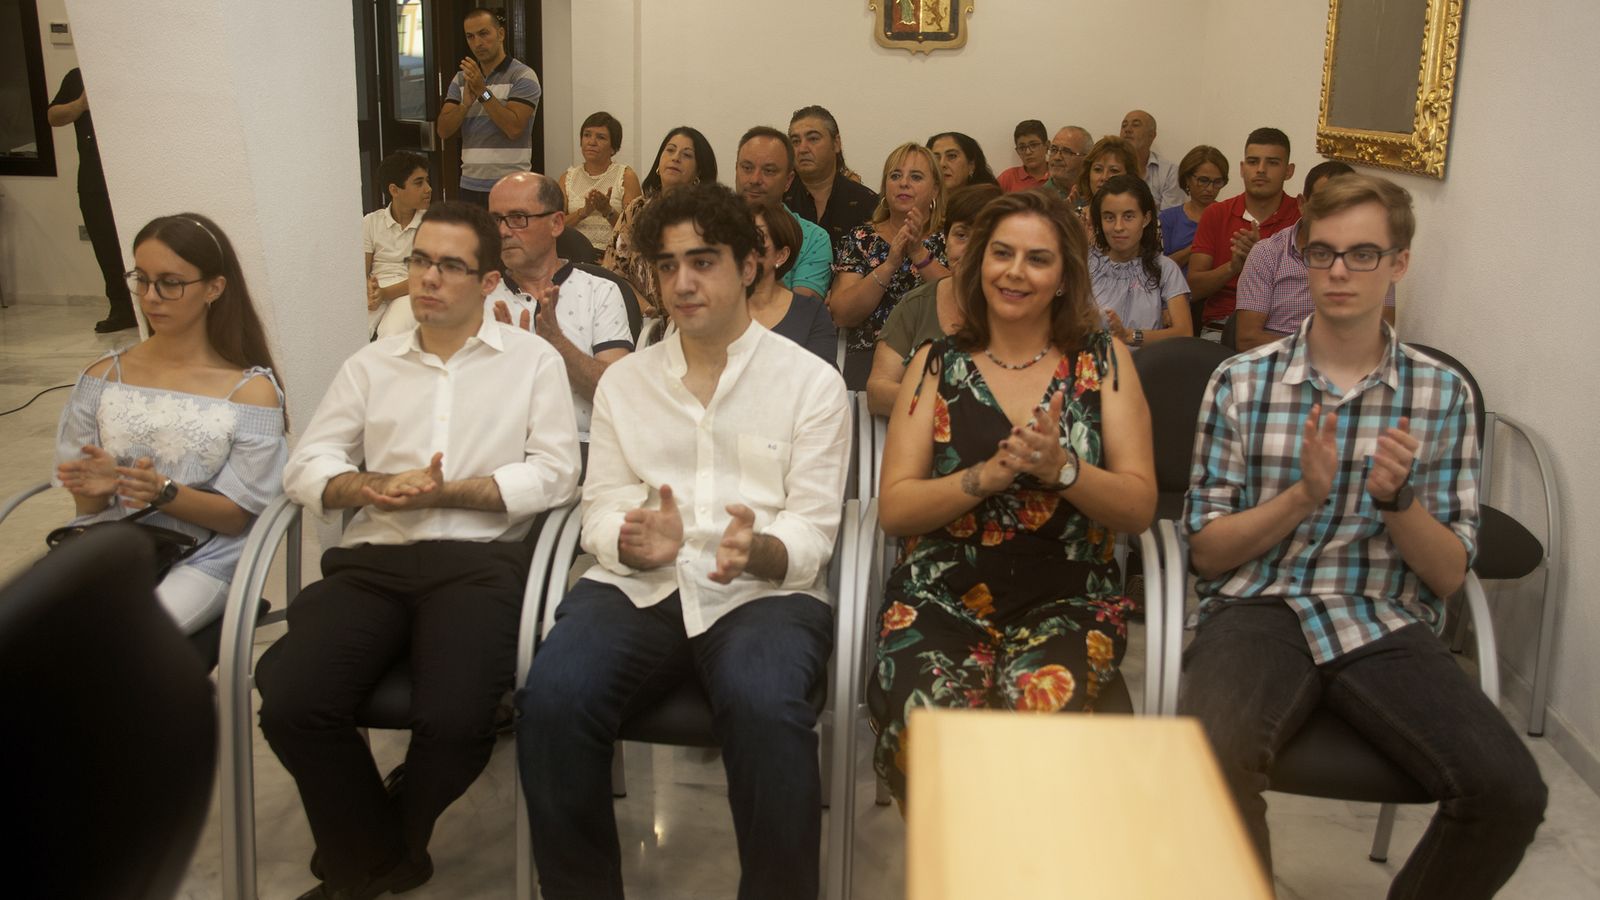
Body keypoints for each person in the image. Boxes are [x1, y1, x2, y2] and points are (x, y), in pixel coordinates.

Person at [1180, 174, 1546, 897]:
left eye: (1362, 254)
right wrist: (1301, 498)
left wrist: (1399, 501)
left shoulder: (1441, 394)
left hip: (1383, 614)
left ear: (1398, 263)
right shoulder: (1240, 382)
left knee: (1510, 790)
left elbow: (1446, 577)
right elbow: (1207, 552)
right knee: (1209, 764)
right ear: (1302, 257)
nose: (1340, 272)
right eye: (1323, 254)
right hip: (1260, 604)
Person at [517, 182, 850, 900]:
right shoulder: (625, 384)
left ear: (750, 266)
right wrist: (630, 540)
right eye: (667, 267)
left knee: (767, 709)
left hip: (765, 592)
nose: (683, 282)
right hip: (640, 584)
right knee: (552, 698)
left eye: (703, 261)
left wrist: (757, 551)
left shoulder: (811, 384)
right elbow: (600, 505)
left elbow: (815, 527)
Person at [261, 202, 581, 900]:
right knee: (289, 697)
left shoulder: (530, 362)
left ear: (487, 281)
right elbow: (306, 466)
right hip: (374, 560)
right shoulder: (371, 364)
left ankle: (380, 847)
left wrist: (452, 493)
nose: (428, 279)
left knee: (457, 720)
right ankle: (385, 852)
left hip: (480, 563)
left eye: (449, 266)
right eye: (419, 262)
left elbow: (557, 473)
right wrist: (373, 485)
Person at [870, 189, 1156, 804]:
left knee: (1036, 730)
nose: (1015, 272)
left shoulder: (1105, 363)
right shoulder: (934, 364)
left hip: (1069, 597)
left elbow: (1137, 507)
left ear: (1064, 278)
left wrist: (1064, 470)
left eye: (1037, 259)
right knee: (936, 734)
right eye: (1001, 254)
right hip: (940, 595)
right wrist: (984, 478)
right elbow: (894, 508)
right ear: (979, 266)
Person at [54, 213, 287, 634]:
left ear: (214, 288)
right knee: (42, 635)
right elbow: (88, 510)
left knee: (121, 641)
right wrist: (95, 492)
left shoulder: (250, 392)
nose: (151, 297)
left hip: (204, 556)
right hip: (110, 541)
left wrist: (162, 492)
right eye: (141, 279)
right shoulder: (104, 376)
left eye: (170, 282)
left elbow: (236, 519)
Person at [485, 173, 634, 439]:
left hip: (582, 448)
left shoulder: (599, 292)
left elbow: (618, 395)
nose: (503, 231)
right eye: (496, 219)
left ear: (556, 223)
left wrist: (557, 345)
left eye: (518, 218)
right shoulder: (478, 298)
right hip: (501, 450)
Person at [865, 182, 1001, 414]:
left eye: (983, 238)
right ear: (945, 242)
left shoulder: (1017, 309)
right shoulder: (916, 304)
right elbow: (877, 393)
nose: (970, 249)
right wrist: (949, 401)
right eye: (961, 235)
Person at [1234, 160, 1395, 351]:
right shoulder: (1267, 253)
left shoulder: (1374, 260)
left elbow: (1382, 335)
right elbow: (1247, 339)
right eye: (1324, 203)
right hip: (1280, 365)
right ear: (1302, 204)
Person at [830, 142, 951, 389]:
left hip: (938, 361)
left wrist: (918, 253)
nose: (904, 183)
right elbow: (842, 313)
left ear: (936, 190)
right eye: (895, 176)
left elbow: (962, 302)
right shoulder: (862, 238)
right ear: (886, 186)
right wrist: (890, 264)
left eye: (915, 177)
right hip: (868, 361)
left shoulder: (951, 238)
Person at [47, 68, 135, 333]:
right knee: (105, 245)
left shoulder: (133, 71)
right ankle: (121, 308)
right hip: (93, 179)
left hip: (133, 176)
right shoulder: (78, 76)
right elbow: (53, 116)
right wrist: (80, 105)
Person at [1187, 127, 1300, 332]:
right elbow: (1193, 289)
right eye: (1253, 161)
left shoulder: (1300, 217)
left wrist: (1261, 260)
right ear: (1241, 168)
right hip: (1219, 328)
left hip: (1279, 329)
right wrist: (1233, 266)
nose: (1261, 170)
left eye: (1272, 163)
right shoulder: (1216, 213)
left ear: (1289, 171)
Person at [603, 125, 716, 322]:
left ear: (699, 171)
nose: (675, 157)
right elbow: (614, 271)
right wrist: (647, 311)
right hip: (633, 316)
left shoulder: (708, 217)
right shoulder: (636, 210)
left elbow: (712, 278)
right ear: (658, 162)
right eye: (670, 150)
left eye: (687, 155)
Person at [435, 7, 542, 207]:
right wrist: (465, 105)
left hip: (512, 186)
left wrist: (482, 92)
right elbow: (443, 130)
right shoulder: (461, 79)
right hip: (470, 185)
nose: (477, 43)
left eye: (484, 33)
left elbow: (514, 128)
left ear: (500, 34)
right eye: (470, 37)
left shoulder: (523, 76)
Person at [1089, 174, 1192, 346]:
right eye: (1109, 217)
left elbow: (1184, 333)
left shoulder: (1165, 268)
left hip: (1147, 366)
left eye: (1128, 216)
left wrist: (1130, 336)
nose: (1118, 227)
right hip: (1092, 366)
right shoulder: (1085, 264)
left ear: (1146, 219)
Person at [734, 125, 833, 301]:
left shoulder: (812, 238)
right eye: (747, 168)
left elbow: (800, 314)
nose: (755, 179)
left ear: (788, 181)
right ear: (736, 170)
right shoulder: (708, 225)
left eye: (769, 171)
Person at [749, 196, 837, 363]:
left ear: (781, 255)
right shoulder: (716, 308)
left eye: (757, 238)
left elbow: (824, 383)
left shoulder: (811, 314)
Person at [784, 105, 880, 246]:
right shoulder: (778, 200)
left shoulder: (868, 204)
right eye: (795, 141)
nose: (802, 149)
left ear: (836, 143)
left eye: (813, 139)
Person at [364, 151, 432, 339]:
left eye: (427, 181)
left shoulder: (432, 224)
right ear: (394, 190)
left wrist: (385, 293)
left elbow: (426, 277)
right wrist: (371, 289)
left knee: (390, 334)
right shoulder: (371, 222)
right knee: (352, 332)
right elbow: (360, 270)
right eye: (419, 183)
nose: (428, 189)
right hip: (376, 292)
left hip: (409, 292)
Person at [560, 111, 641, 252]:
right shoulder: (567, 177)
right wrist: (583, 212)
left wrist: (607, 210)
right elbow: (554, 226)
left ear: (613, 148)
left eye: (601, 137)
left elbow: (635, 231)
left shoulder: (626, 176)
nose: (591, 142)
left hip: (613, 257)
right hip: (575, 255)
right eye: (587, 135)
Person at [1158, 145, 1228, 274]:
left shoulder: (1228, 216)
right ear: (1187, 179)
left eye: (1217, 182)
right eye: (1203, 180)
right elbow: (1159, 267)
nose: (1210, 188)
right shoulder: (1168, 218)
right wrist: (1198, 247)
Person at [1119, 109, 1185, 209]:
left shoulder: (1170, 172)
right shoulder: (1110, 168)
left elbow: (1169, 218)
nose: (1127, 130)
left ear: (1152, 135)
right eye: (1124, 125)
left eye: (1136, 125)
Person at [926, 131, 998, 190]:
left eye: (952, 156)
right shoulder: (921, 202)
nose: (942, 164)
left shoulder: (989, 205)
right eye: (936, 158)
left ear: (971, 165)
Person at [1043, 125, 1093, 208]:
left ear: (1087, 158)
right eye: (1054, 150)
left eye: (1066, 152)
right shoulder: (1039, 201)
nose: (1057, 157)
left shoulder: (1097, 193)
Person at [997, 119, 1050, 192]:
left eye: (1034, 145)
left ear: (1047, 146)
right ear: (1017, 151)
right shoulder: (1008, 179)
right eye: (1022, 147)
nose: (1028, 152)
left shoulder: (1058, 175)